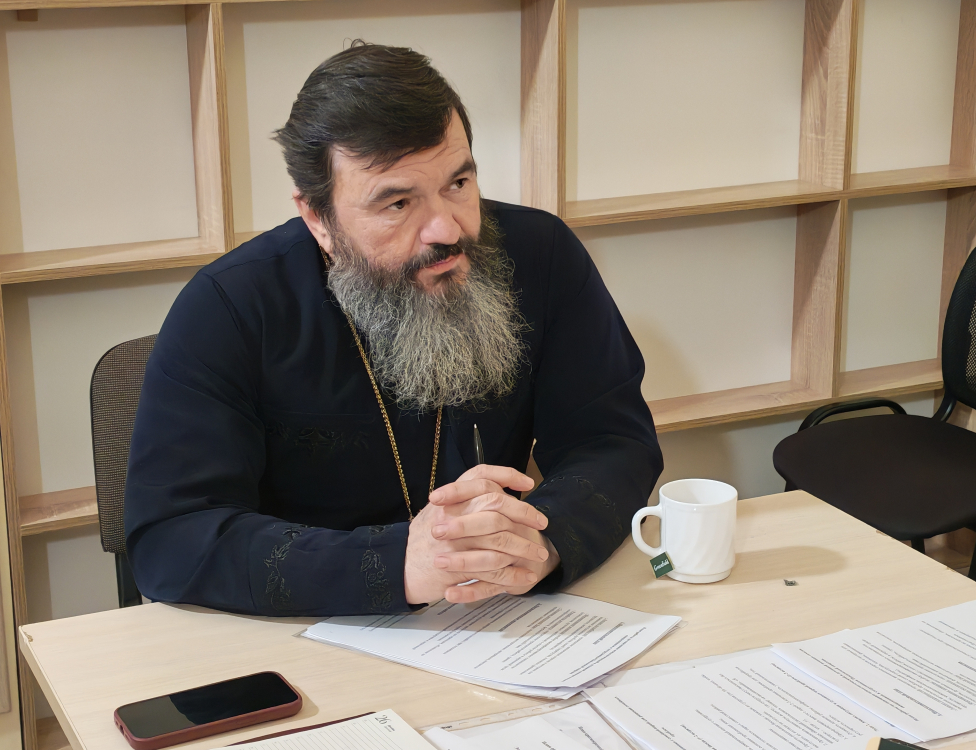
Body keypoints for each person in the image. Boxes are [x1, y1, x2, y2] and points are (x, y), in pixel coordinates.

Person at [124, 42, 662, 616]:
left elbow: (612, 439)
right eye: (398, 203)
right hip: (304, 628)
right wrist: (400, 563)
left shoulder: (541, 255)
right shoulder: (230, 306)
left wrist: (542, 540)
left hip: (494, 616)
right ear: (318, 219)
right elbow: (173, 536)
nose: (446, 230)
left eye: (458, 183)